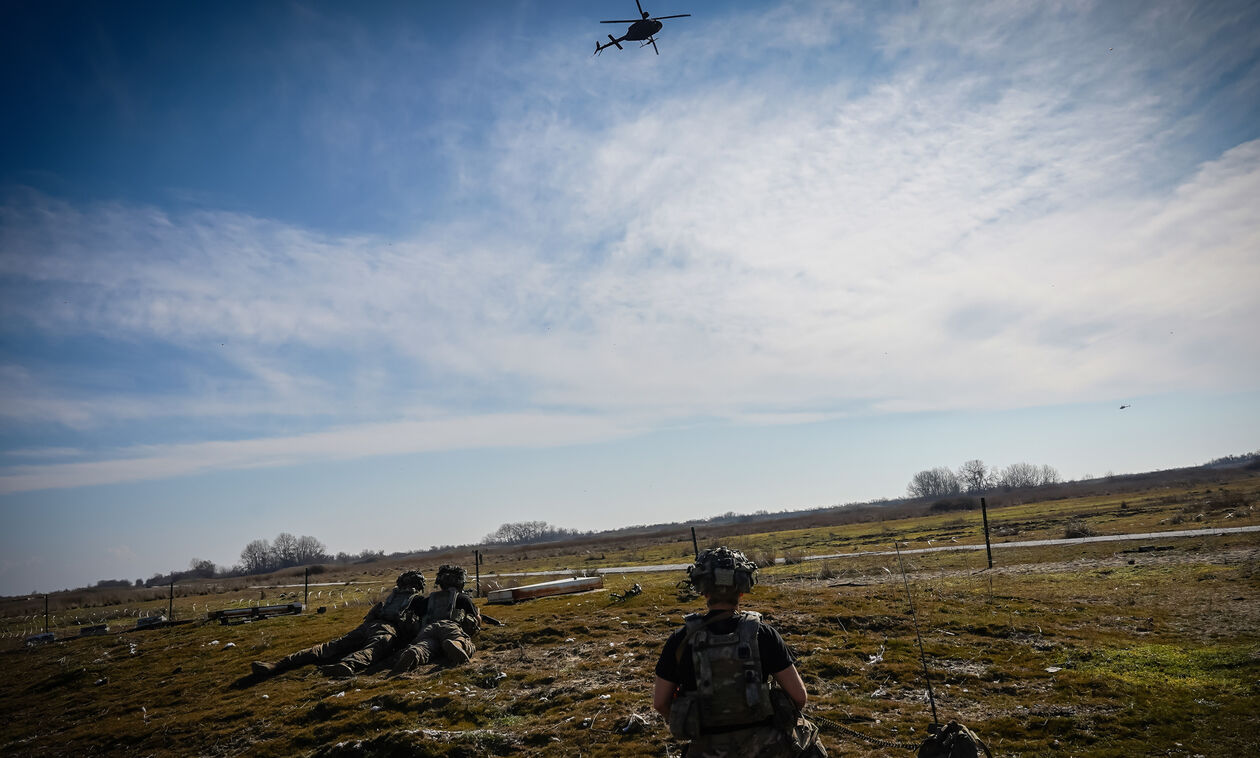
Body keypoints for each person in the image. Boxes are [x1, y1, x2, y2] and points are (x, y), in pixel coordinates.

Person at [653, 547, 826, 757]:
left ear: (703, 589)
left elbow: (661, 703)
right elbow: (799, 697)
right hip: (766, 749)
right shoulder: (764, 634)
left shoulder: (680, 640)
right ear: (743, 588)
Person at [250, 570, 427, 679]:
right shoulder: (417, 600)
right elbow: (419, 628)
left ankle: (278, 664)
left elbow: (371, 615)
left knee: (331, 645)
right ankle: (348, 665)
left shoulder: (391, 597)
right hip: (388, 630)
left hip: (368, 626)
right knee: (373, 650)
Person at [391, 564, 481, 672]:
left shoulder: (429, 599)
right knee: (461, 640)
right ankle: (456, 645)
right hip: (450, 627)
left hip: (428, 629)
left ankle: (415, 653)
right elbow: (477, 620)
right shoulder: (463, 598)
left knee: (425, 646)